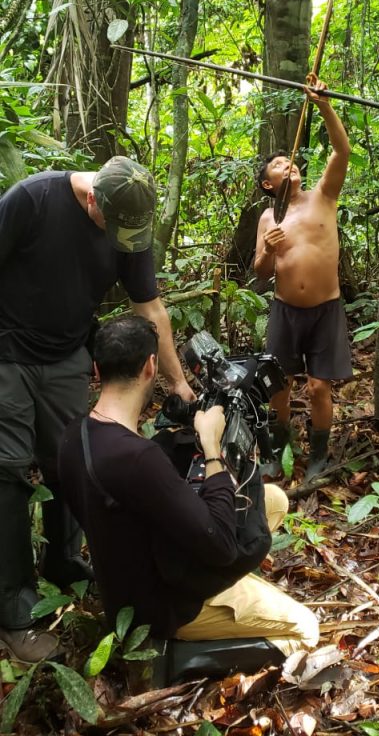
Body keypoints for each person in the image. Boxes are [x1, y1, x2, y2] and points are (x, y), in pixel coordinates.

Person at [0, 156, 194, 664]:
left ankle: (62, 564)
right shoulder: (32, 199)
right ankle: (16, 610)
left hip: (65, 355)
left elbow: (148, 307)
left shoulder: (127, 221)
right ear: (92, 199)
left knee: (69, 462)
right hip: (7, 354)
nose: (123, 240)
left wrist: (177, 381)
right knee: (10, 471)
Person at [58, 316, 319, 660]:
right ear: (151, 366)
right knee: (307, 628)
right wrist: (213, 450)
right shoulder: (139, 459)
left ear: (96, 369)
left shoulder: (73, 436)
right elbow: (222, 545)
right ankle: (184, 661)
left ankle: (234, 599)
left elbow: (136, 503)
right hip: (166, 605)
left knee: (273, 500)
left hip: (126, 581)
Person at [254, 74, 352, 481]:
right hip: (285, 311)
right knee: (279, 388)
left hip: (325, 310)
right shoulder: (269, 217)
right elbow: (260, 273)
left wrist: (323, 104)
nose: (286, 164)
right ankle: (276, 453)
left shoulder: (323, 196)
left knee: (317, 388)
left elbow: (341, 151)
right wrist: (269, 249)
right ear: (268, 183)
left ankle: (318, 458)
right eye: (278, 165)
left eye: (288, 160)